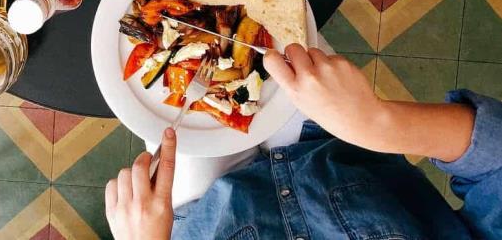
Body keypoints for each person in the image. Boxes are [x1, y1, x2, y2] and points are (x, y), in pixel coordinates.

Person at [105, 46, 502, 239]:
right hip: (336, 140)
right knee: (262, 13)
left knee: (166, 60)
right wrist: (379, 122)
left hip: (198, 206)